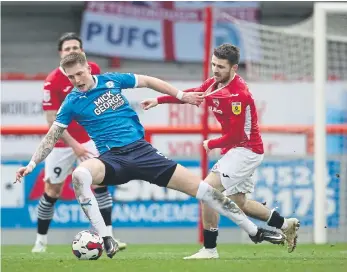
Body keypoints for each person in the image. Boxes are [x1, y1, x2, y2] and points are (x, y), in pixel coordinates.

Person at [16, 52, 285, 259]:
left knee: (205, 191)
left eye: (79, 74)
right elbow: (52, 135)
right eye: (71, 77)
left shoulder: (112, 80)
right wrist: (31, 164)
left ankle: (255, 232)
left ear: (88, 67)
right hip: (113, 159)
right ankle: (106, 237)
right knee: (80, 174)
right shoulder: (72, 101)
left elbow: (147, 80)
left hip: (143, 153)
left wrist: (181, 95)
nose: (77, 81)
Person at [141, 43, 300, 259]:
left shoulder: (238, 94)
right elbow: (192, 94)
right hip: (240, 150)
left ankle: (210, 249)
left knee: (206, 190)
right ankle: (285, 224)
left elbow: (237, 137)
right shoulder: (216, 82)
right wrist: (159, 100)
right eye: (213, 64)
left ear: (234, 68)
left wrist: (212, 143)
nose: (215, 70)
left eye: (221, 67)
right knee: (240, 203)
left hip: (245, 150)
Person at [32, 32, 126, 253]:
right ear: (60, 54)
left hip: (91, 140)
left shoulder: (92, 69)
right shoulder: (52, 81)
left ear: (82, 51)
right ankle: (40, 241)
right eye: (68, 49)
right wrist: (74, 145)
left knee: (100, 183)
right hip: (63, 144)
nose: (72, 52)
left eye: (76, 48)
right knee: (52, 190)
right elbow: (52, 121)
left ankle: (108, 237)